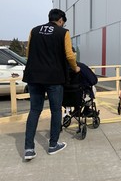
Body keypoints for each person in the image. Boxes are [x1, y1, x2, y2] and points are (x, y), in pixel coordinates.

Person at [23, 9, 80, 160]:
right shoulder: (63, 32)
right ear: (60, 20)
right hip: (54, 77)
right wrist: (75, 68)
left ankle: (29, 148)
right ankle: (53, 145)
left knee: (34, 110)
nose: (63, 24)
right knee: (56, 111)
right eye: (63, 22)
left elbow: (28, 53)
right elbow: (69, 55)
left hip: (34, 76)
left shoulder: (34, 31)